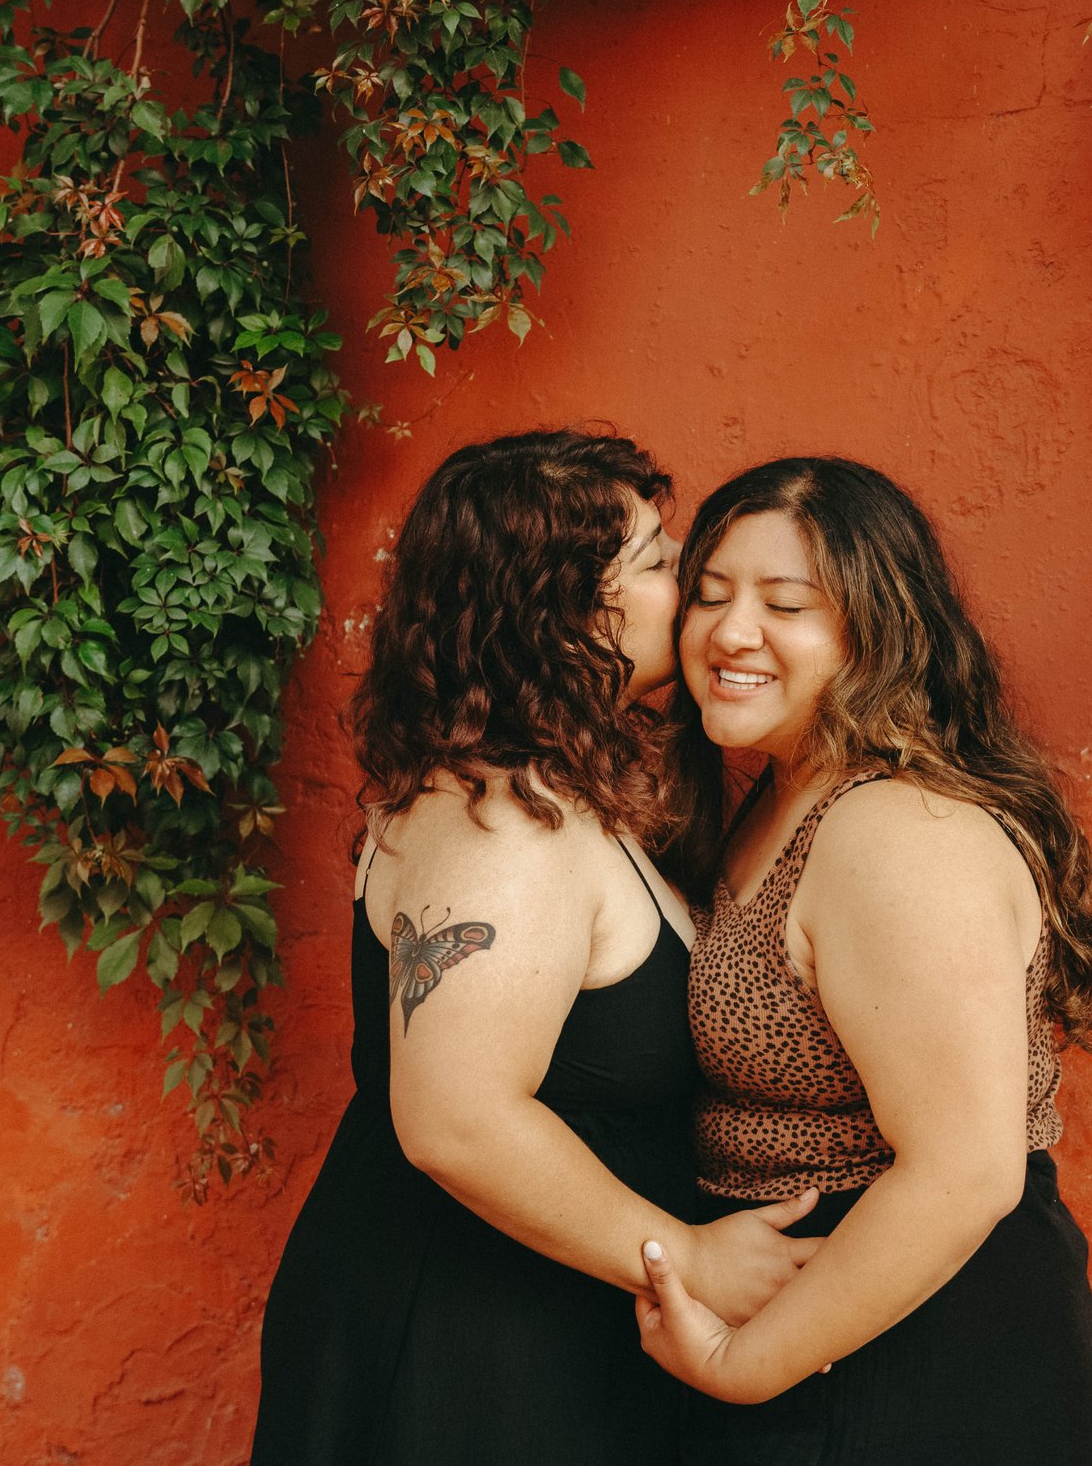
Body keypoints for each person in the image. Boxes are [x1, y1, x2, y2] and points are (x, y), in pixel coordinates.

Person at [250, 430, 822, 1466]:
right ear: (567, 612)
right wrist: (686, 1256)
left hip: (526, 1312)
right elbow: (454, 1120)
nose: (688, 577)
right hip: (467, 1341)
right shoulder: (504, 824)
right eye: (656, 560)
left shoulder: (537, 785)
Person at [639, 456, 1092, 1465]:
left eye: (785, 605)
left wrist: (739, 1362)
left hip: (918, 1347)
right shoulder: (783, 795)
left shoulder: (897, 832)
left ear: (877, 631)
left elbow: (965, 1171)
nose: (730, 632)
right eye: (710, 595)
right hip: (823, 1330)